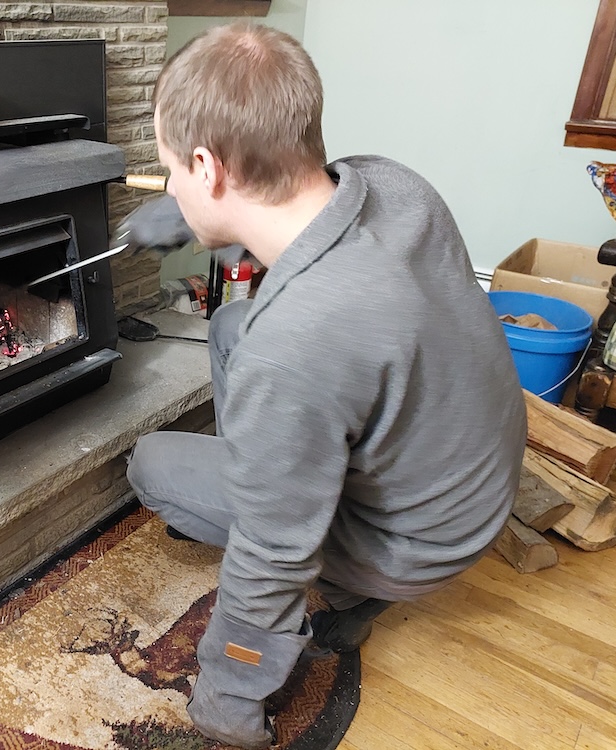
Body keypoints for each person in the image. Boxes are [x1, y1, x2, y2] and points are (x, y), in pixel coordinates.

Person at [123, 21, 527, 750]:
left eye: (173, 171)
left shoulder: (297, 349)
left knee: (152, 463)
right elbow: (299, 231)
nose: (172, 185)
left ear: (210, 168)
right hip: (475, 480)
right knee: (230, 326)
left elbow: (270, 556)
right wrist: (188, 221)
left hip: (416, 539)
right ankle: (277, 463)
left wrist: (227, 694)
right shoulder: (393, 183)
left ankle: (346, 591)